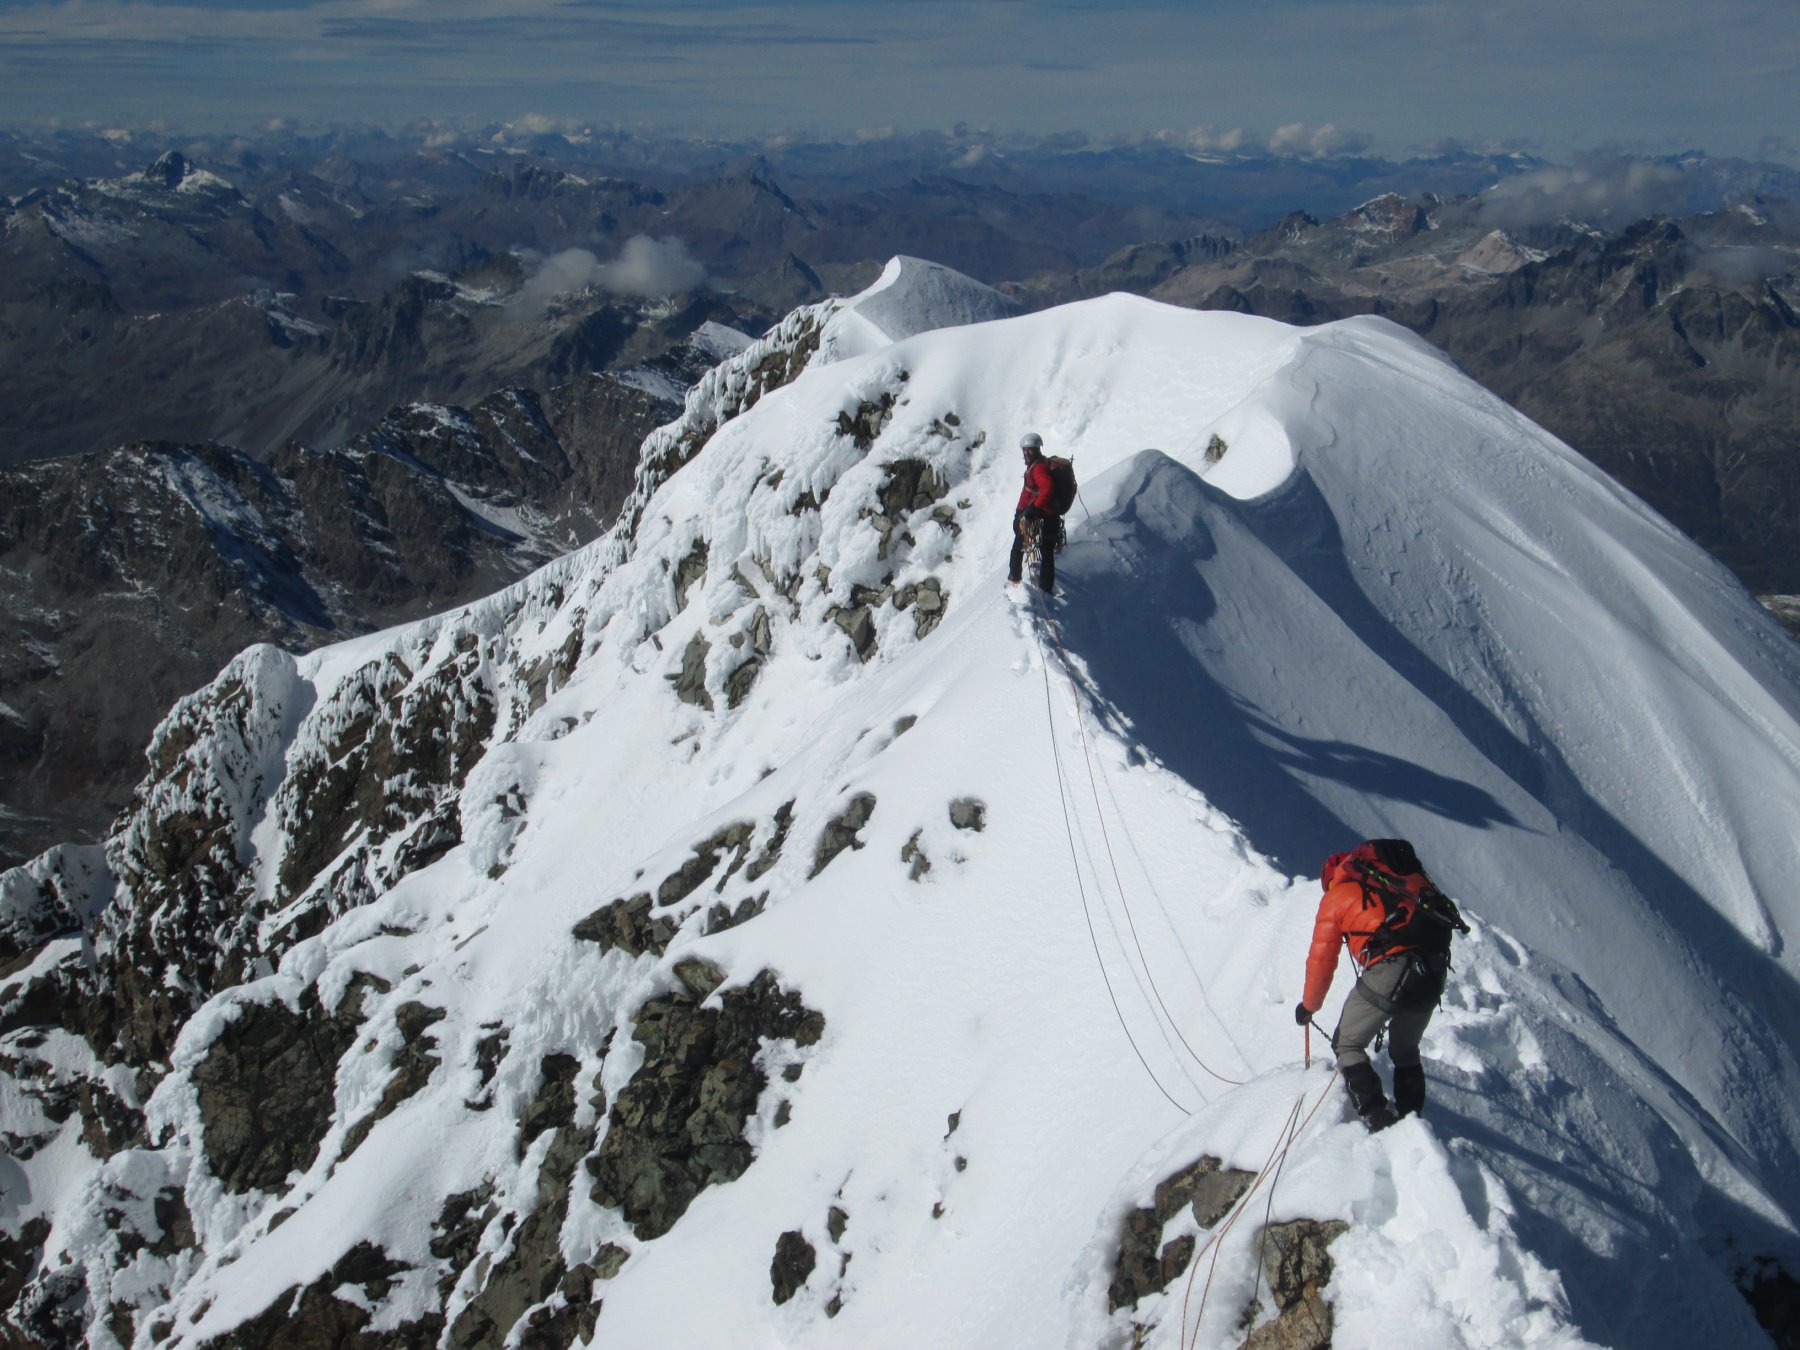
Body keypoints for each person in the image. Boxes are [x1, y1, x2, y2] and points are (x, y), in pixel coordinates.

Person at [1294, 839, 1462, 1131]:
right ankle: (1413, 1122)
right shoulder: (1398, 884)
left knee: (1347, 1043)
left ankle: (1378, 1120)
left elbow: (1321, 959)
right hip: (1433, 967)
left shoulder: (1337, 896)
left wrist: (1309, 1006)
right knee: (1406, 1050)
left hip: (1394, 966)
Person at [1006, 431, 1058, 595]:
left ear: (1037, 449)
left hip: (1035, 514)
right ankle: (1046, 589)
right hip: (1048, 514)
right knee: (1047, 552)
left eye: (1030, 449)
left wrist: (1034, 508)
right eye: (1025, 449)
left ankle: (1014, 579)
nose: (1026, 453)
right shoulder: (1039, 464)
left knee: (1018, 545)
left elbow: (1047, 488)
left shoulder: (1039, 468)